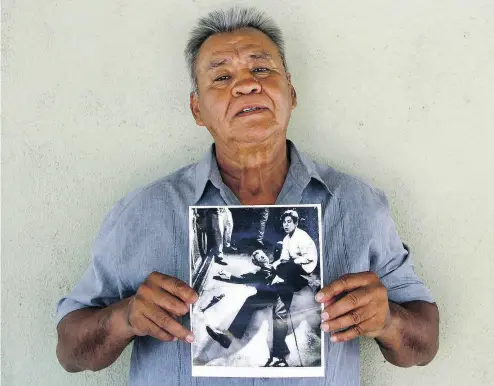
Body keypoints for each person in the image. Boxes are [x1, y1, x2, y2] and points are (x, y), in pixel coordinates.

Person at [55, 7, 439, 386]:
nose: (245, 84)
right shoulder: (143, 213)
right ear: (197, 109)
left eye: (261, 69)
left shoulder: (358, 205)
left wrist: (388, 320)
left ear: (290, 91)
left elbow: (423, 345)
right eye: (221, 76)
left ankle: (271, 345)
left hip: (290, 284)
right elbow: (70, 352)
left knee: (272, 304)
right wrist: (124, 317)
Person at [207, 249, 310, 367]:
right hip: (267, 296)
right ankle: (227, 338)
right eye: (258, 259)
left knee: (279, 317)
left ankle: (279, 356)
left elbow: (296, 275)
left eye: (262, 256)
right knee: (250, 301)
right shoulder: (258, 274)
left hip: (282, 293)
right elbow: (242, 278)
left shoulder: (278, 265)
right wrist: (227, 275)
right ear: (256, 263)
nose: (262, 258)